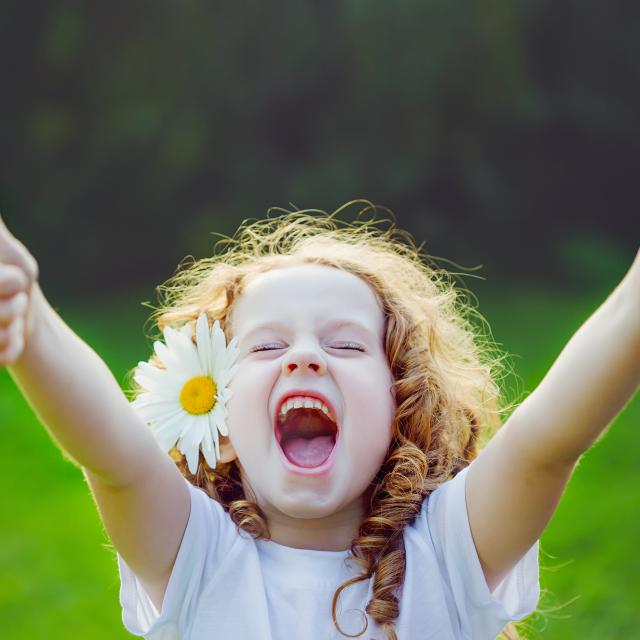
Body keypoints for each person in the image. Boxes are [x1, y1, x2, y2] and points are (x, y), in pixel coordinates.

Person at [1, 203, 638, 640]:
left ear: (401, 410)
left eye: (346, 346)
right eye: (267, 348)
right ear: (218, 422)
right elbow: (114, 456)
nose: (304, 356)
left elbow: (548, 438)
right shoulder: (196, 560)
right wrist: (26, 319)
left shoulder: (448, 554)